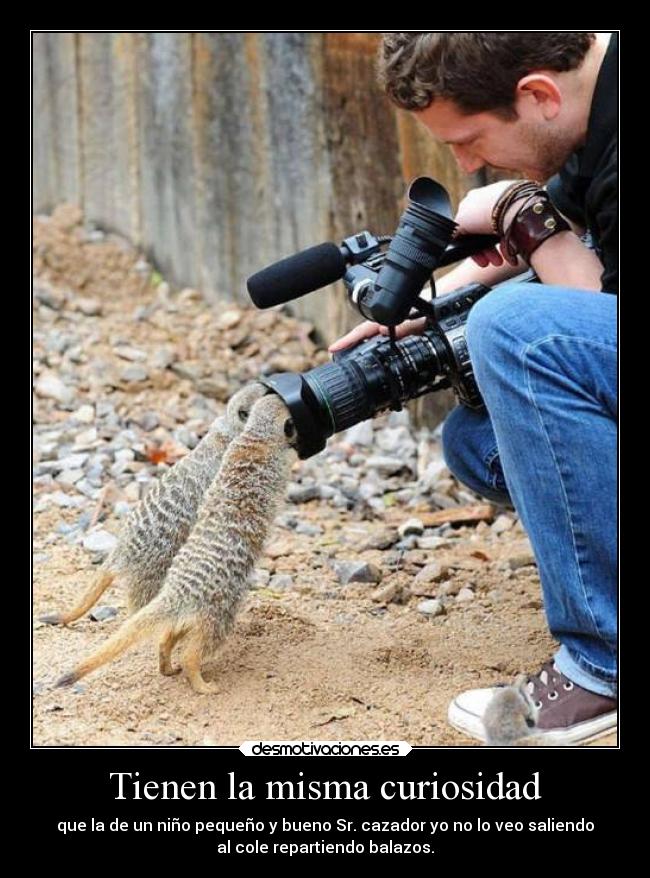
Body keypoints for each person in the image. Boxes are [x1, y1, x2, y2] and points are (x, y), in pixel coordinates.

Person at [330, 32, 618, 745]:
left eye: (469, 140)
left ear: (538, 95)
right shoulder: (592, 117)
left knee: (517, 328)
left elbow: (581, 308)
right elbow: (575, 234)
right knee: (475, 440)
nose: (465, 163)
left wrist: (527, 215)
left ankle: (603, 668)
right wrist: (421, 313)